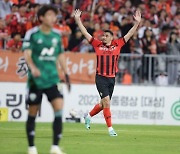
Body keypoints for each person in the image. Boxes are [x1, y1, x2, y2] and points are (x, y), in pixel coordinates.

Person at [74, 9, 141, 136]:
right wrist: (78, 20)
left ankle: (88, 116)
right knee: (106, 102)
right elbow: (85, 32)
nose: (103, 37)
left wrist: (137, 23)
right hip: (100, 78)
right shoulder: (97, 44)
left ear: (111, 37)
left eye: (106, 36)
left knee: (102, 104)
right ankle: (110, 129)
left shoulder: (118, 44)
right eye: (103, 35)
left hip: (112, 78)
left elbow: (130, 34)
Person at [22, 5, 70, 154]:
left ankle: (55, 147)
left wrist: (66, 73)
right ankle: (31, 147)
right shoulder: (33, 34)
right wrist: (33, 68)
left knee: (59, 109)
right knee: (33, 112)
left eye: (54, 15)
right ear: (41, 17)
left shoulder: (57, 35)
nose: (52, 18)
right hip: (36, 80)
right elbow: (27, 54)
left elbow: (60, 55)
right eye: (49, 15)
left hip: (52, 79)